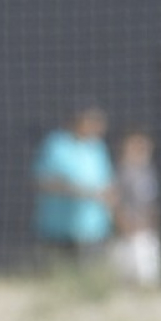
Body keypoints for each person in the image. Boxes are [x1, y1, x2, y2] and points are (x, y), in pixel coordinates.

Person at [31, 105, 115, 261]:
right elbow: (41, 181)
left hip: (93, 230)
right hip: (58, 230)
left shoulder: (98, 148)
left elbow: (108, 184)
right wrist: (76, 191)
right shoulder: (56, 145)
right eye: (92, 122)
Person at [110, 128, 161, 288]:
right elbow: (113, 200)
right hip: (126, 233)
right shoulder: (120, 172)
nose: (141, 149)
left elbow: (151, 203)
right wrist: (123, 223)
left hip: (146, 231)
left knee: (147, 280)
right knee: (124, 280)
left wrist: (151, 224)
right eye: (136, 145)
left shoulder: (147, 172)